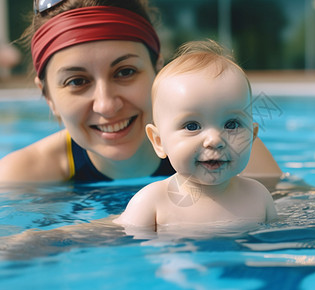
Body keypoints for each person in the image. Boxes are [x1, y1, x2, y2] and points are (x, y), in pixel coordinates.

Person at [0, 0, 282, 189]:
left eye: (125, 72)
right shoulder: (17, 180)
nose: (107, 105)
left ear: (157, 69)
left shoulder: (226, 148)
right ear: (48, 96)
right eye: (77, 81)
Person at [114, 40, 277, 229]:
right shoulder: (151, 203)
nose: (215, 140)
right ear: (159, 142)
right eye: (192, 126)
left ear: (252, 136)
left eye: (232, 124)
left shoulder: (258, 197)